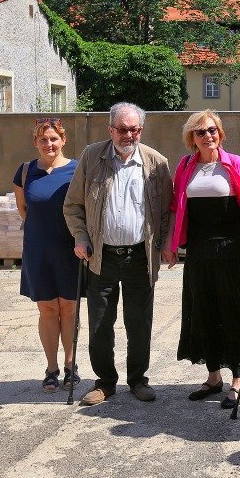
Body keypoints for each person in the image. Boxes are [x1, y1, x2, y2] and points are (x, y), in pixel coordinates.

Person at [164, 109, 240, 410]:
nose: (208, 136)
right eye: (201, 132)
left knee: (235, 312)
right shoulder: (186, 166)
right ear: (192, 138)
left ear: (220, 133)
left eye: (213, 130)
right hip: (199, 251)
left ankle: (238, 378)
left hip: (234, 249)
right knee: (205, 310)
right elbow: (177, 207)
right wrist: (171, 244)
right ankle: (213, 377)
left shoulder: (234, 164)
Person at [63, 102, 172, 406]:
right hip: (102, 255)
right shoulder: (91, 157)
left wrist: (163, 244)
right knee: (99, 323)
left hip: (140, 257)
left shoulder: (156, 163)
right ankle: (105, 382)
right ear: (110, 129)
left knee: (139, 322)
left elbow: (167, 211)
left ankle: (138, 379)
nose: (129, 134)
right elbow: (73, 205)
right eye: (122, 129)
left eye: (134, 129)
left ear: (141, 129)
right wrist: (81, 237)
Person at [12, 118, 81, 392]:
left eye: (54, 138)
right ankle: (51, 368)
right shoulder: (26, 171)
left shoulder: (77, 170)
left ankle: (70, 366)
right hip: (39, 250)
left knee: (69, 308)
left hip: (70, 248)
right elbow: (23, 209)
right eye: (43, 139)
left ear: (63, 140)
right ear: (36, 143)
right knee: (47, 309)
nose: (49, 144)